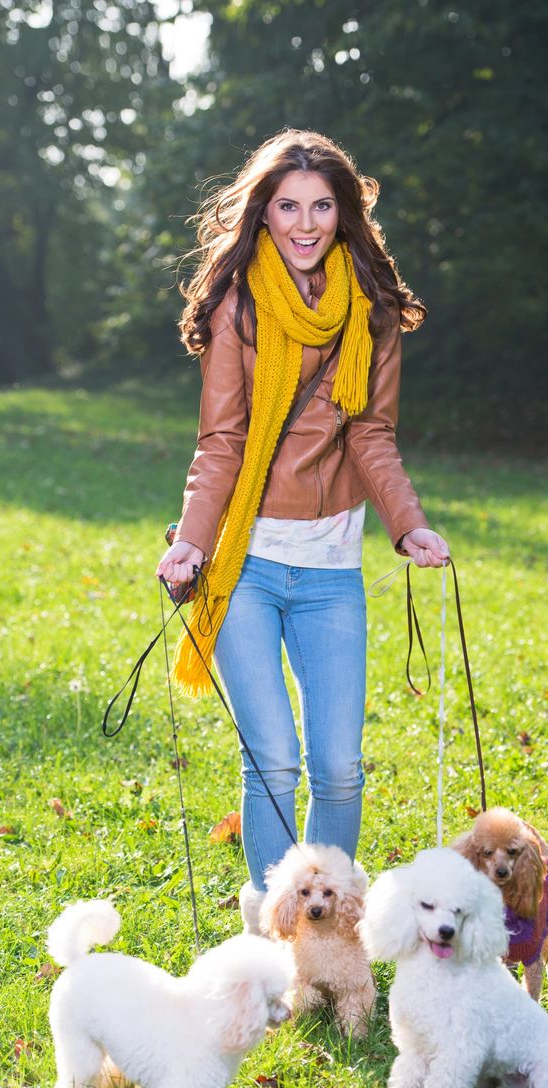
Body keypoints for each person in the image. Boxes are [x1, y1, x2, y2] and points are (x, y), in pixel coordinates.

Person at [156, 129, 449, 933]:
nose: (306, 222)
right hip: (244, 564)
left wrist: (409, 525)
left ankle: (337, 929)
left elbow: (372, 435)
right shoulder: (238, 305)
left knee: (340, 767)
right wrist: (190, 540)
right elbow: (222, 441)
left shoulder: (373, 308)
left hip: (330, 572)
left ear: (345, 212)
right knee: (274, 762)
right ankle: (277, 931)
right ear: (265, 212)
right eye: (288, 205)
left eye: (322, 205)